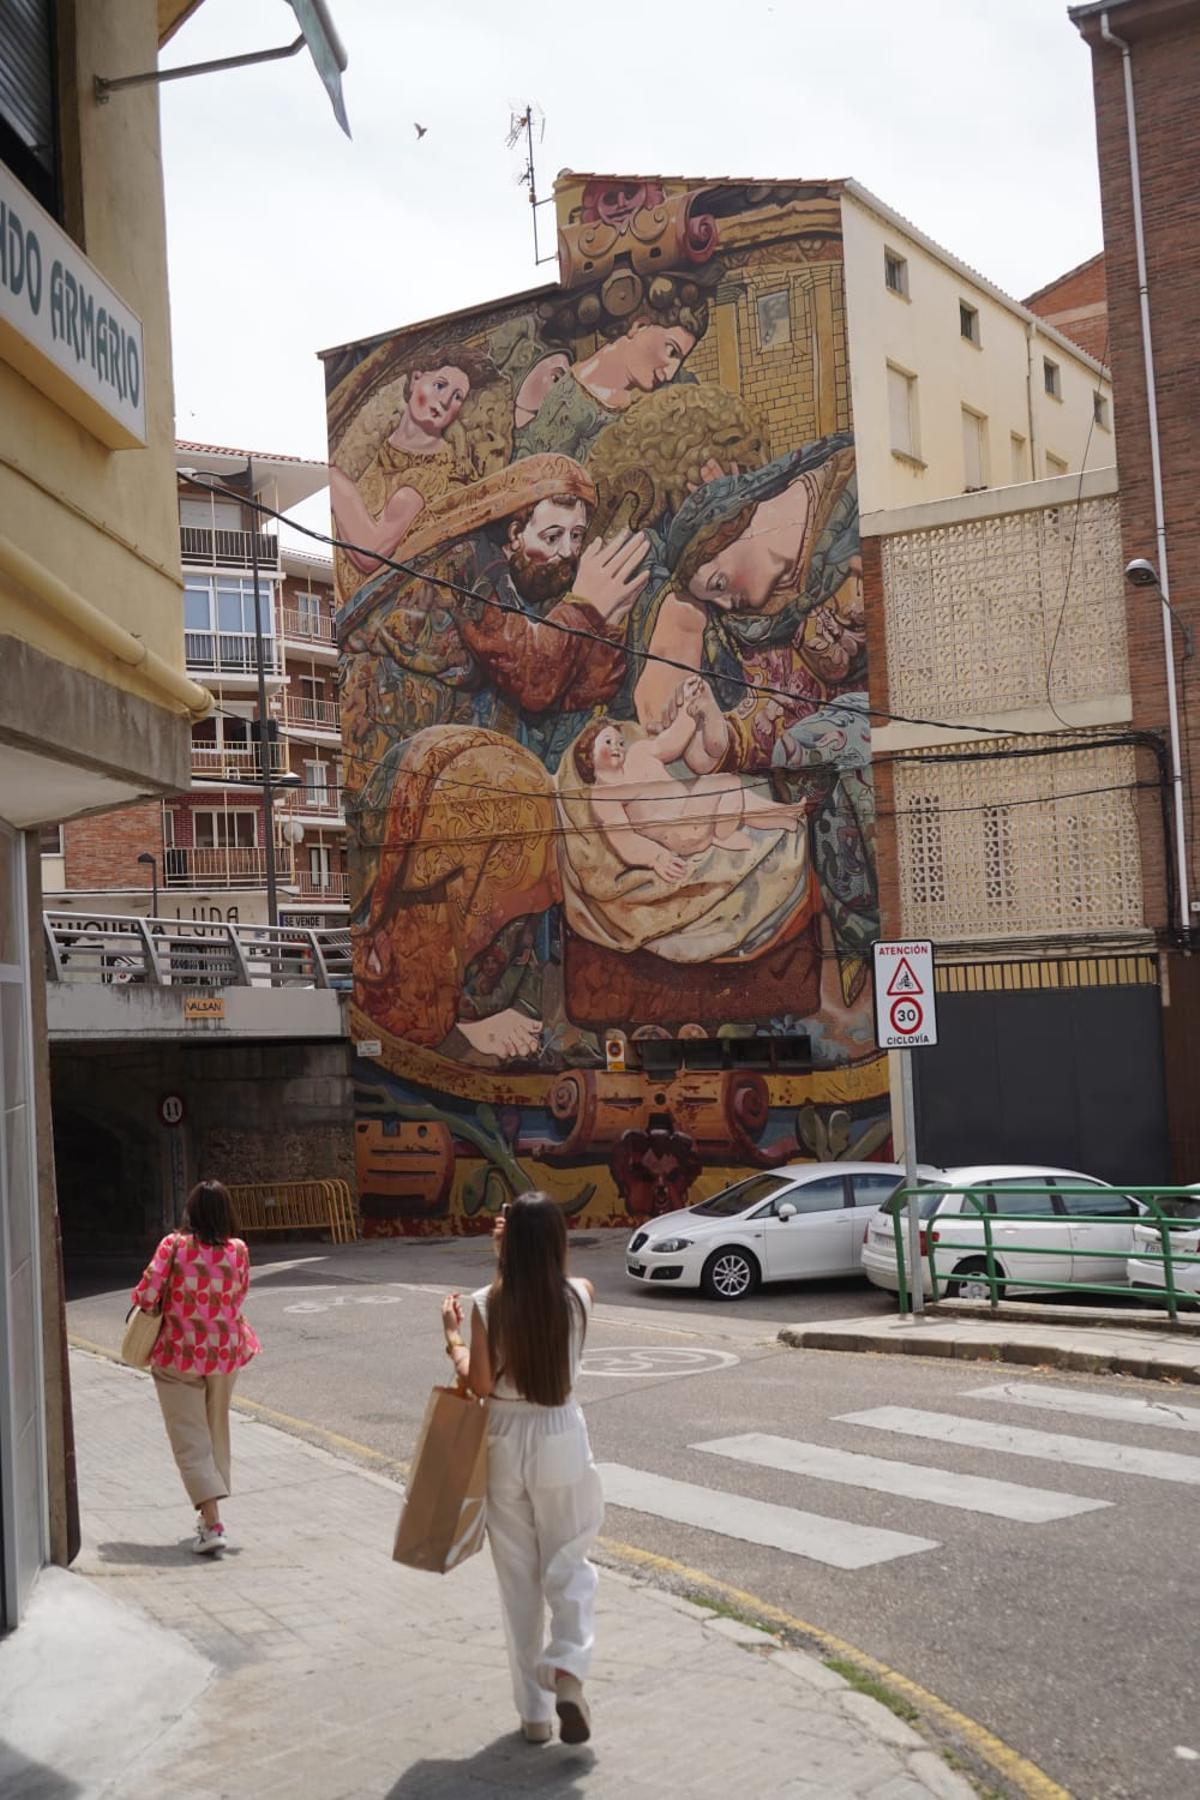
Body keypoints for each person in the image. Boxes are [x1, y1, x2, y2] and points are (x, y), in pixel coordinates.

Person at [441, 1194, 602, 1746]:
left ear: (507, 1243)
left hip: (505, 1438)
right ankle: (568, 1672)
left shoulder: (486, 1303)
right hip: (560, 1432)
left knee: (518, 1581)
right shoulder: (580, 1297)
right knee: (570, 1561)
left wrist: (454, 1340)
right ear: (557, 1240)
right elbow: (543, 1293)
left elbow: (479, 1384)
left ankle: (534, 1717)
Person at [129, 1179, 260, 1555]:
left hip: (178, 1356)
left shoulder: (173, 1247)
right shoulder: (238, 1251)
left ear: (192, 1212)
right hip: (225, 1353)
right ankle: (208, 1517)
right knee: (215, 1430)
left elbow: (146, 1294)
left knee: (190, 1439)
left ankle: (214, 1522)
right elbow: (241, 1292)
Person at [570, 684, 807, 883]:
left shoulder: (639, 753)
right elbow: (624, 839)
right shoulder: (605, 795)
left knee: (730, 789)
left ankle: (784, 816)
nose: (617, 746)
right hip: (681, 832)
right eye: (608, 741)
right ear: (588, 756)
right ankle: (725, 832)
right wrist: (656, 857)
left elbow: (671, 741)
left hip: (695, 811)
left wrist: (689, 710)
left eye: (620, 742)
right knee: (725, 783)